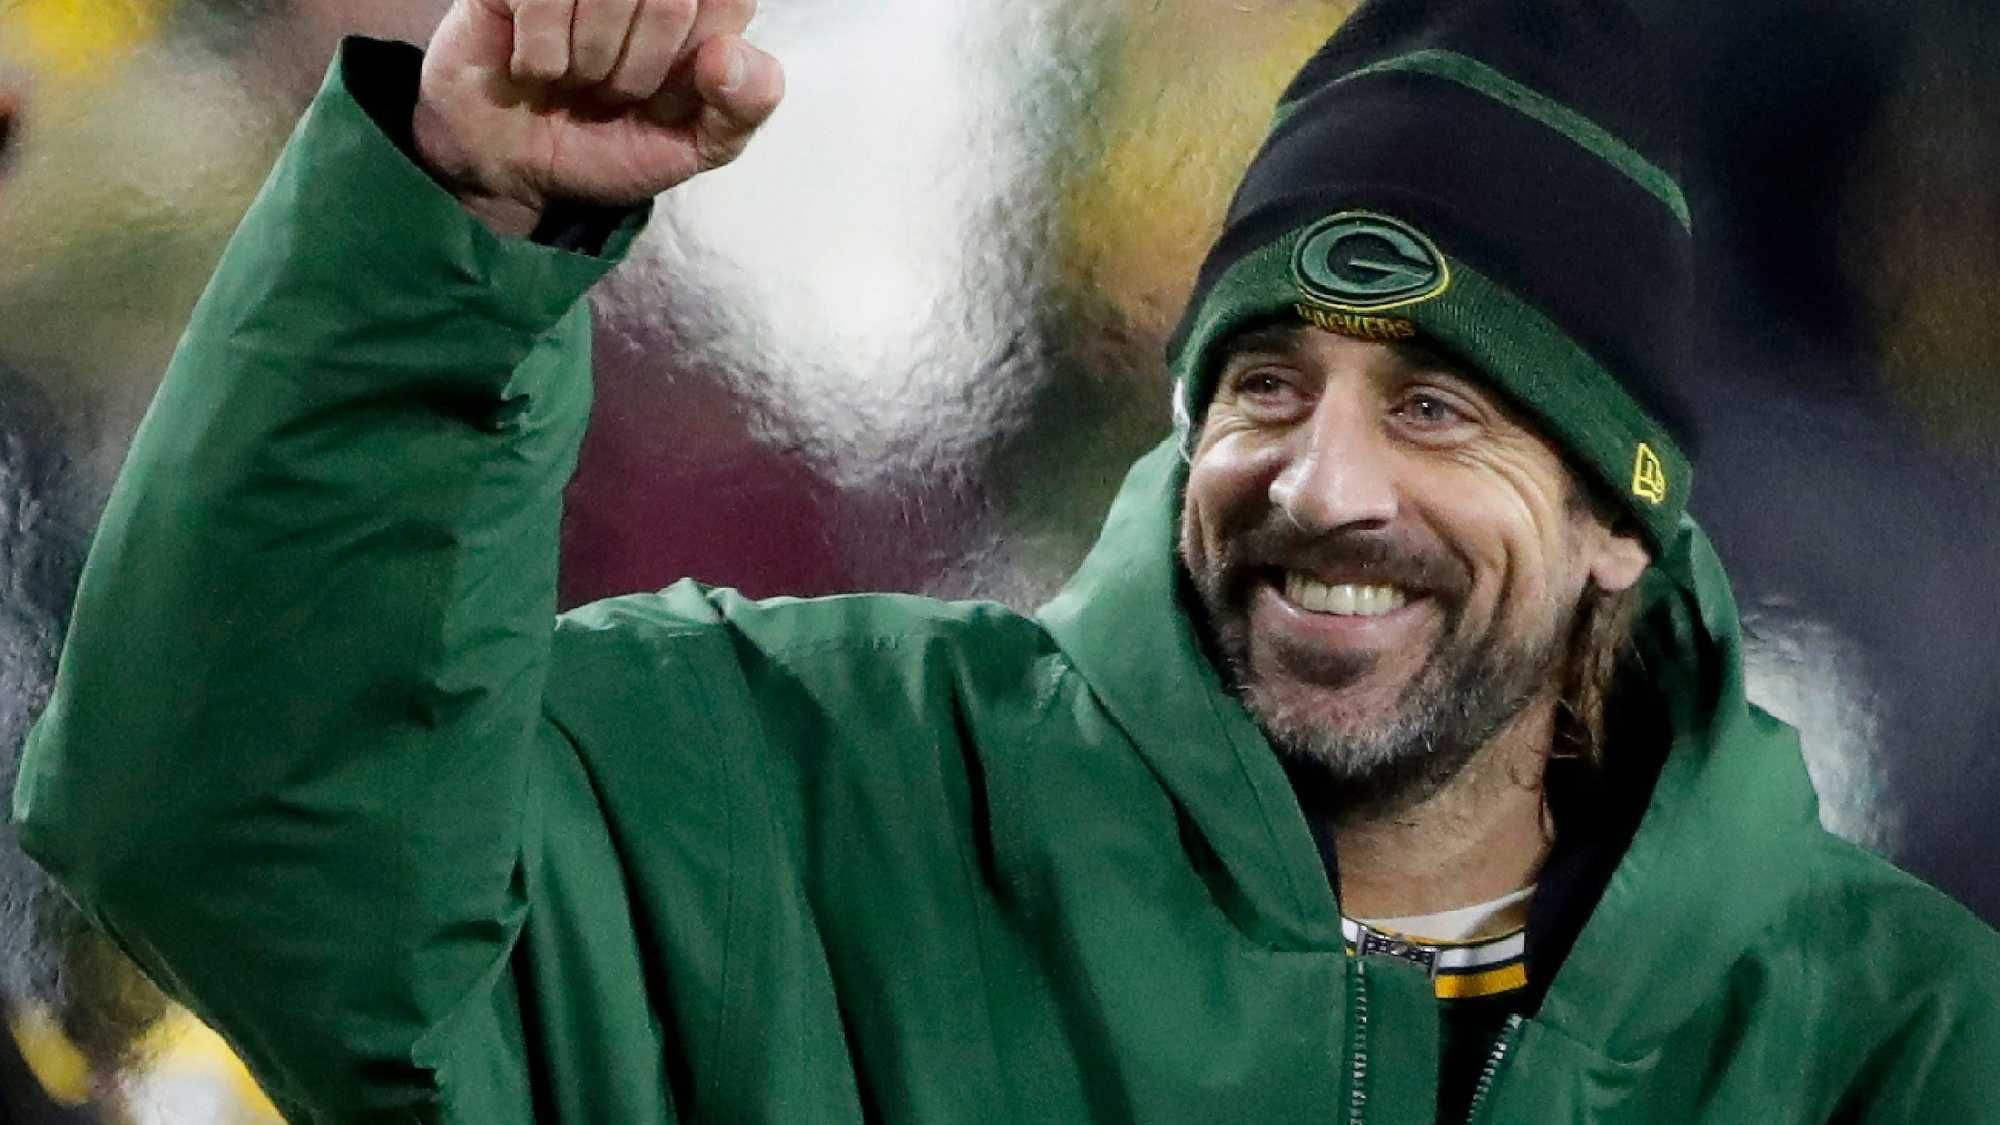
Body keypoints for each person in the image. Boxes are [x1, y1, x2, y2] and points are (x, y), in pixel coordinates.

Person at [15, 0, 1999, 1120]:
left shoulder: (1878, 1039)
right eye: (1267, 384)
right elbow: (237, 846)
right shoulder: (815, 807)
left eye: (1441, 408)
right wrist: (450, 234)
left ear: (1619, 524)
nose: (1323, 481)